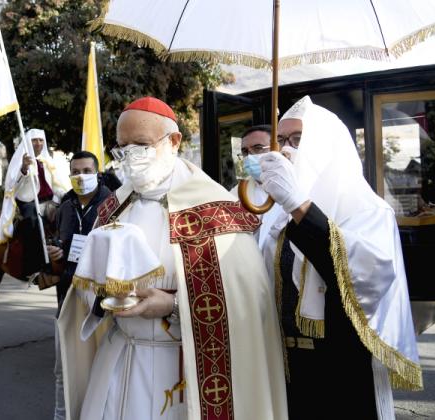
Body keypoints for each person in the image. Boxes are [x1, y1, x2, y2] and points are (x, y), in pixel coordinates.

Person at [58, 97, 287, 419]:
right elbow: (85, 286)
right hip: (119, 357)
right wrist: (102, 295)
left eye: (141, 144)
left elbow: (249, 303)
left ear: (174, 141)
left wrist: (173, 305)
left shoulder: (214, 209)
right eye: (123, 147)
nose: (130, 157)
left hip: (184, 369)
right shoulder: (114, 208)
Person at [256, 96, 422, 419]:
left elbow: (363, 278)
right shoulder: (273, 214)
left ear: (324, 146)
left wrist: (300, 207)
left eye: (297, 140)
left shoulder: (368, 210)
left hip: (342, 369)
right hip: (284, 369)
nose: (286, 149)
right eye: (281, 140)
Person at [45, 150, 113, 420]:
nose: (80, 176)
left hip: (104, 301)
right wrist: (57, 251)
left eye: (86, 171)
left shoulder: (113, 204)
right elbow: (65, 244)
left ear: (97, 173)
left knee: (103, 365)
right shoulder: (64, 207)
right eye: (75, 171)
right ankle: (62, 415)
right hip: (68, 298)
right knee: (64, 367)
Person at [0, 128, 71, 245]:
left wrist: (66, 195)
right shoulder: (20, 162)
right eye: (34, 140)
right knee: (32, 222)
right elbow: (13, 187)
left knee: (69, 212)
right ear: (28, 143)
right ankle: (33, 258)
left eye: (41, 140)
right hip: (30, 203)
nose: (38, 143)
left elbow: (55, 186)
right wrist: (24, 169)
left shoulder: (46, 162)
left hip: (50, 202)